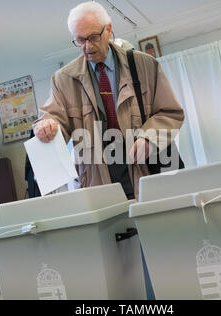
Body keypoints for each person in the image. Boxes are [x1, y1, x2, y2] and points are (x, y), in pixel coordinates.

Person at [34, 2, 184, 200]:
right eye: (80, 40)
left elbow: (170, 113)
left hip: (146, 168)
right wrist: (46, 125)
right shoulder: (63, 79)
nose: (87, 47)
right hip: (99, 180)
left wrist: (149, 138)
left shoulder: (144, 65)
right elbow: (52, 117)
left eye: (93, 37)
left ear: (109, 30)